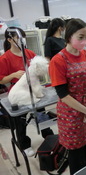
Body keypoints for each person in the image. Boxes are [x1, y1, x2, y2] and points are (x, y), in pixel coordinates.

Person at [49, 18, 86, 175]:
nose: (85, 41)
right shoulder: (58, 60)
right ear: (69, 36)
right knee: (76, 157)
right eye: (80, 37)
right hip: (71, 113)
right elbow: (63, 95)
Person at [0, 27, 50, 157]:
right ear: (10, 40)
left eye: (23, 38)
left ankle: (48, 134)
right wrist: (13, 75)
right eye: (19, 38)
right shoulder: (5, 58)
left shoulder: (29, 53)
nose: (22, 40)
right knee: (21, 121)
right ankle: (24, 144)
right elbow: (1, 80)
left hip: (34, 88)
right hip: (18, 92)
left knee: (41, 114)